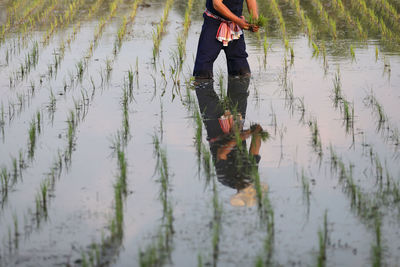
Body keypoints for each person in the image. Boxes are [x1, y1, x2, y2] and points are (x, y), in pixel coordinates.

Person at [195, 76, 268, 207]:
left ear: (239, 191)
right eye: (250, 187)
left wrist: (238, 138)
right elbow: (254, 152)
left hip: (216, 132)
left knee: (205, 90)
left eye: (246, 189)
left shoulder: (225, 178)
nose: (248, 185)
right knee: (239, 90)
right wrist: (257, 134)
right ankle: (238, 74)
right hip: (236, 129)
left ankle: (202, 78)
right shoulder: (251, 174)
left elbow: (221, 153)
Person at [193, 0, 259, 79]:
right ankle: (202, 87)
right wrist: (238, 21)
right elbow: (217, 4)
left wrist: (255, 20)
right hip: (213, 23)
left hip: (235, 24)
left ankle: (240, 90)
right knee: (203, 69)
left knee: (241, 71)